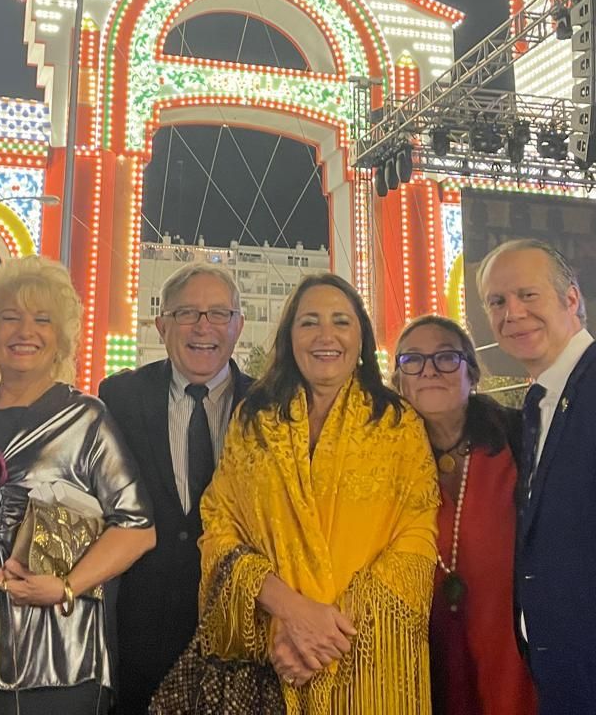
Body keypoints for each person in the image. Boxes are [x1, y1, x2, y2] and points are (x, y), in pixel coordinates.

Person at [198, 272, 438, 714]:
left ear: (361, 336)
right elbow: (219, 524)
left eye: (341, 322)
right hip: (272, 654)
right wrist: (288, 615)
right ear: (290, 336)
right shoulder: (253, 421)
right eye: (309, 322)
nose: (326, 336)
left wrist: (322, 636)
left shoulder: (397, 424)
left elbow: (415, 543)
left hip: (366, 660)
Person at [0, 255, 156, 715]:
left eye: (42, 320)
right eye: (10, 318)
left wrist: (67, 587)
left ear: (61, 339)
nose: (24, 331)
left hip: (58, 652)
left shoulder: (87, 420)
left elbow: (138, 527)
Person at [99, 262, 252, 714]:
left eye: (218, 314)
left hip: (239, 639)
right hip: (138, 644)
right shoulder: (119, 398)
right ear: (162, 325)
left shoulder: (270, 409)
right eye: (187, 313)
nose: (203, 327)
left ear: (238, 326)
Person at [394, 314, 537, 715]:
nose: (429, 371)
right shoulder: (383, 462)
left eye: (445, 357)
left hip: (516, 659)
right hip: (424, 666)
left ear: (472, 373)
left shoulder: (521, 437)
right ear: (399, 382)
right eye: (413, 360)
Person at [477, 238, 596, 715]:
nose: (513, 313)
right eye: (498, 302)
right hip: (560, 679)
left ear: (572, 300)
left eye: (529, 295)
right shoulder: (537, 404)